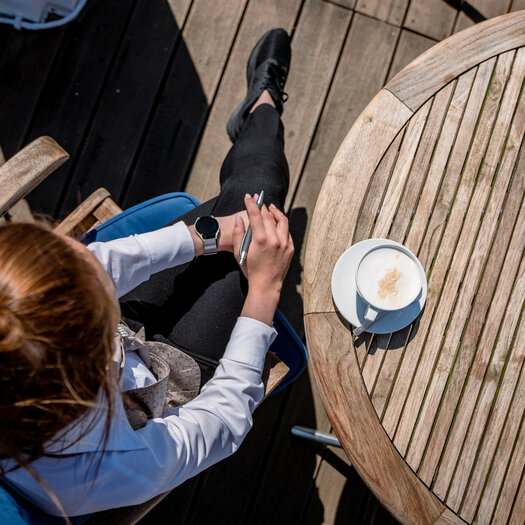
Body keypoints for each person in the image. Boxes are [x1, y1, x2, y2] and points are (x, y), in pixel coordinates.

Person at [0, 28, 294, 517]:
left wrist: (205, 235)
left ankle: (259, 113)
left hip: (105, 351)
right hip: (159, 396)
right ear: (90, 365)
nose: (94, 260)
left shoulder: (23, 327)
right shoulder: (94, 471)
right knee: (258, 195)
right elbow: (221, 421)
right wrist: (265, 290)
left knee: (247, 212)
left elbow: (97, 267)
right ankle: (261, 111)